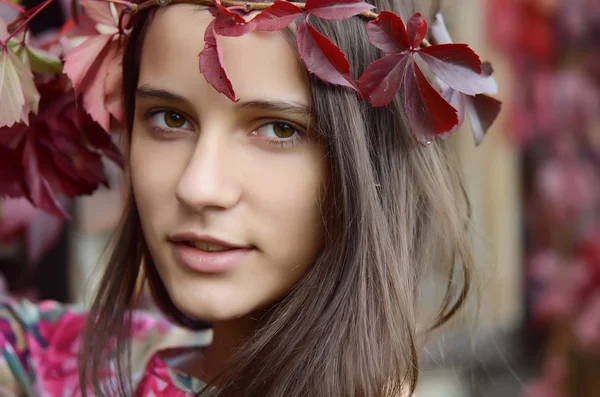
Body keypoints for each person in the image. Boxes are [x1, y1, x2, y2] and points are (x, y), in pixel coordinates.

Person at [0, 0, 495, 395]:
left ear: (367, 164)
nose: (199, 186)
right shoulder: (79, 362)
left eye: (279, 129)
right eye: (170, 119)